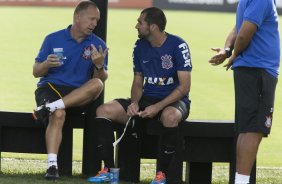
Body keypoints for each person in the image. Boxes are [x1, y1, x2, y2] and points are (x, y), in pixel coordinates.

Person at [87, 7, 192, 184]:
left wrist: (158, 107)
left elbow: (184, 87)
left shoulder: (178, 46)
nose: (136, 26)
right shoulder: (140, 46)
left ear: (152, 27)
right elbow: (138, 81)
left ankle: (161, 176)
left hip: (175, 102)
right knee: (104, 110)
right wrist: (134, 103)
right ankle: (110, 170)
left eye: (140, 22)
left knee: (170, 116)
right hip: (147, 101)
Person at [32, 1, 108, 180]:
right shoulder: (53, 38)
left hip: (78, 94)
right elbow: (36, 72)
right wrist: (45, 64)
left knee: (98, 84)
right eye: (91, 19)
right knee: (58, 114)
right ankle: (52, 166)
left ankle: (50, 107)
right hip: (51, 88)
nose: (94, 24)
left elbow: (101, 77)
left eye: (97, 20)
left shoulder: (98, 45)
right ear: (77, 17)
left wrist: (99, 66)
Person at [209, 0, 280, 183]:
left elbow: (237, 28)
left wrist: (226, 50)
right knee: (254, 130)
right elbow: (243, 34)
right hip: (258, 71)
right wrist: (233, 55)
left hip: (250, 71)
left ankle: (240, 180)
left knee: (245, 129)